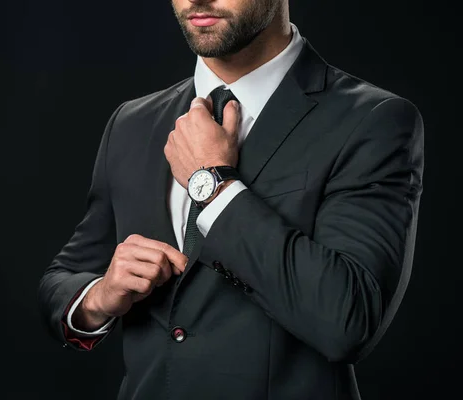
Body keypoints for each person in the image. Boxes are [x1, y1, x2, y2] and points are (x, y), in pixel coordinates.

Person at [37, 0, 424, 398]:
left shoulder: (373, 120)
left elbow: (349, 320)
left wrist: (214, 184)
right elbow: (63, 278)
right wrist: (98, 298)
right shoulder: (132, 122)